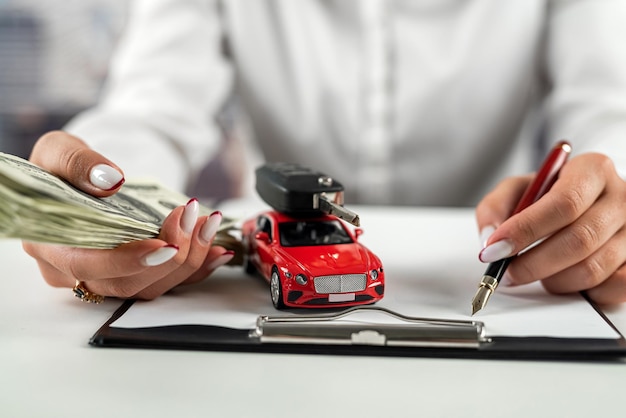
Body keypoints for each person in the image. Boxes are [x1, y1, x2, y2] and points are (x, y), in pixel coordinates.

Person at [22, 0, 626, 304]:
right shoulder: (271, 237)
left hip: (487, 249)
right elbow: (152, 106)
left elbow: (610, 106)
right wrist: (106, 204)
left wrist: (606, 198)